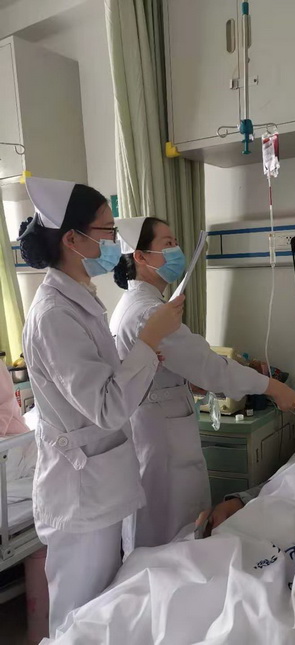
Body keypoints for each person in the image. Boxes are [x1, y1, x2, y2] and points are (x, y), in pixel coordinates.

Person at [19, 178, 185, 635]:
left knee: (101, 617)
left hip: (100, 483)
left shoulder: (81, 300)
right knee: (77, 621)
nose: (115, 241)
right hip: (80, 494)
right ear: (72, 240)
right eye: (107, 231)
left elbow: (106, 385)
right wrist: (147, 341)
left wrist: (143, 358)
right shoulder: (54, 315)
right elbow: (108, 407)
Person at [110, 217, 295, 548]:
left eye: (176, 242)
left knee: (158, 528)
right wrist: (274, 388)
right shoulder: (147, 312)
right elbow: (211, 367)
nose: (177, 250)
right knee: (170, 531)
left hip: (154, 427)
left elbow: (165, 367)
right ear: (140, 257)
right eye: (167, 243)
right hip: (161, 438)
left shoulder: (136, 304)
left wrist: (188, 382)